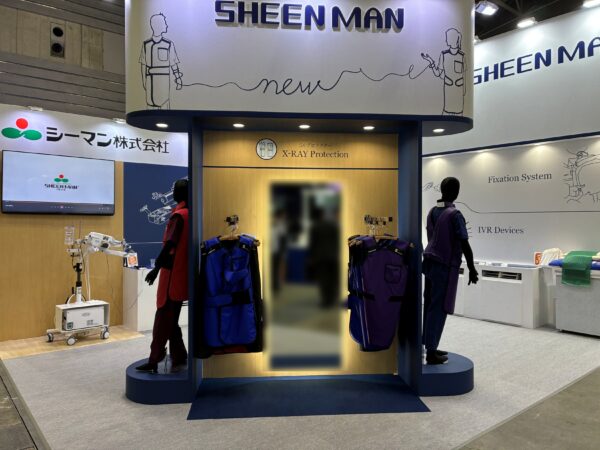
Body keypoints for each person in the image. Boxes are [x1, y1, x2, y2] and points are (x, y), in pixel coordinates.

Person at [422, 177, 478, 365]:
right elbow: (464, 243)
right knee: (440, 307)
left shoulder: (432, 212)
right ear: (456, 192)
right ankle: (431, 352)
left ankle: (429, 344)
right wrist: (471, 267)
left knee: (429, 305)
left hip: (429, 263)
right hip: (444, 266)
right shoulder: (455, 215)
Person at [136, 179, 189, 373]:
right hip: (182, 275)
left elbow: (169, 246)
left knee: (162, 319)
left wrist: (156, 268)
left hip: (171, 275)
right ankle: (179, 354)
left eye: (175, 190)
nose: (172, 193)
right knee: (171, 320)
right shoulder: (190, 214)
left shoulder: (179, 217)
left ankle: (154, 360)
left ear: (179, 194)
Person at [139, 13, 183, 109]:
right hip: (150, 85)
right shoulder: (146, 44)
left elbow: (173, 63)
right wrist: (144, 82)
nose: (166, 25)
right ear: (157, 25)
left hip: (164, 85)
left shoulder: (168, 44)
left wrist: (178, 78)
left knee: (165, 107)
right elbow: (143, 64)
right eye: (164, 23)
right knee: (150, 109)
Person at [421, 28, 466, 116]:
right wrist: (431, 61)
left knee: (458, 116)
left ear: (451, 39)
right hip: (448, 92)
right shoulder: (444, 54)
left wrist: (464, 91)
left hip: (458, 94)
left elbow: (465, 76)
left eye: (447, 38)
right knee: (446, 115)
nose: (446, 41)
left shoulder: (462, 56)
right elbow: (438, 73)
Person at [308, 208, 340, 308]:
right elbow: (337, 241)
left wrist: (311, 257)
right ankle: (332, 299)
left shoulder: (315, 227)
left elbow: (313, 243)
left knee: (323, 279)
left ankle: (325, 301)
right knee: (332, 278)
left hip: (320, 257)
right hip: (333, 256)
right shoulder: (332, 226)